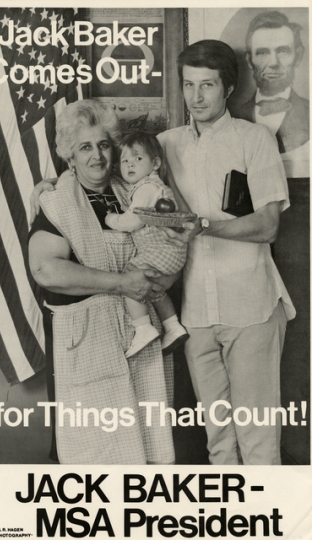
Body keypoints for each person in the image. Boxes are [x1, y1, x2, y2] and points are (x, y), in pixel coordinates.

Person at [157, 39, 296, 465]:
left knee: (257, 441)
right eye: (188, 85)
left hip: (251, 307)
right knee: (219, 443)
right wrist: (47, 187)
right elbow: (103, 169)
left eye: (208, 86)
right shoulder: (164, 144)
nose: (196, 97)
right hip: (197, 313)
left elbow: (268, 225)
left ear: (228, 88)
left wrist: (204, 226)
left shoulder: (254, 139)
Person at [28, 99, 183, 465]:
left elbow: (171, 243)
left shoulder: (131, 189)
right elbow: (45, 270)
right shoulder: (57, 201)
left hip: (139, 342)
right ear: (70, 155)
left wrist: (160, 279)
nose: (97, 155)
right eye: (85, 147)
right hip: (86, 346)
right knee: (97, 458)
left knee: (148, 454)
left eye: (103, 144)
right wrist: (121, 284)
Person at [105, 131, 189, 358]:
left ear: (156, 163)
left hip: (160, 251)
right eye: (124, 160)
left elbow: (132, 222)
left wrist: (111, 219)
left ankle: (142, 328)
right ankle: (173, 327)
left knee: (131, 276)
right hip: (172, 254)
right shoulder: (153, 186)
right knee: (155, 289)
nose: (130, 164)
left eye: (137, 158)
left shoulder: (147, 189)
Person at [233, 11, 309, 154]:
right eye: (262, 52)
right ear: (249, 60)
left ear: (297, 57)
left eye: (283, 51)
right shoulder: (233, 118)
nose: (273, 63)